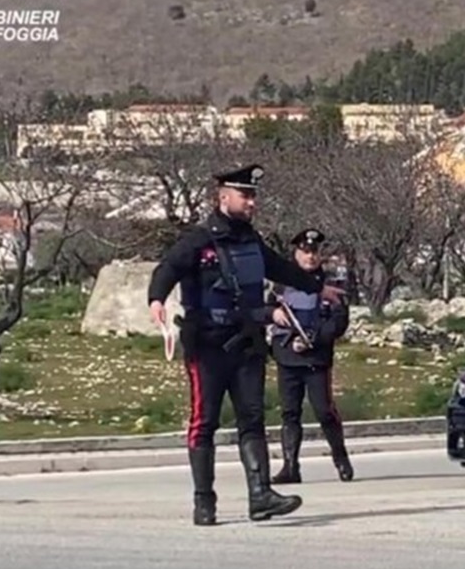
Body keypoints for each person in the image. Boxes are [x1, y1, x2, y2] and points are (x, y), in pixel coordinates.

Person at [146, 164, 345, 527]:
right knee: (203, 422)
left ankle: (261, 495)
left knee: (252, 420)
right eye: (245, 195)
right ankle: (204, 502)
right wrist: (156, 300)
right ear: (224, 197)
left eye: (253, 195)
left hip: (247, 344)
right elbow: (168, 269)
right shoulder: (200, 239)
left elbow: (283, 270)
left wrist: (318, 288)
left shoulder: (252, 241)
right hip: (207, 345)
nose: (252, 202)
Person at [269, 227, 354, 484]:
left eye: (314, 252)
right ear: (296, 253)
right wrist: (274, 315)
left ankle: (341, 459)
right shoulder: (280, 284)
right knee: (289, 413)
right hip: (287, 358)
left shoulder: (331, 284)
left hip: (316, 359)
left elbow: (338, 321)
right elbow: (266, 309)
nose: (310, 257)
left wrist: (313, 340)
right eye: (305, 252)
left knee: (324, 411)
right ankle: (290, 466)